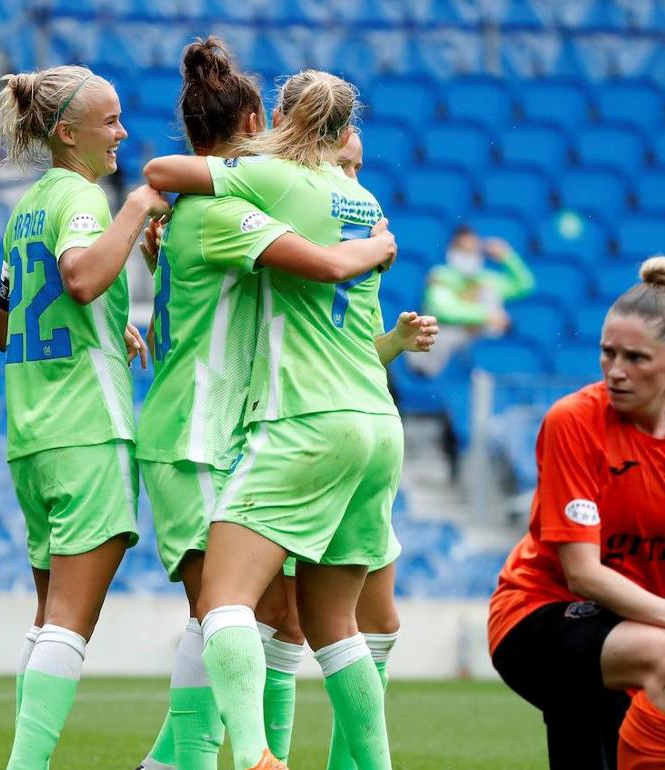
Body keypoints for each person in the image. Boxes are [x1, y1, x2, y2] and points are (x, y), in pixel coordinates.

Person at [131, 39, 402, 770]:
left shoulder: (260, 188)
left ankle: (234, 757)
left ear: (282, 116)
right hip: (235, 428)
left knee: (247, 609)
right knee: (286, 617)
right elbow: (311, 262)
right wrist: (369, 251)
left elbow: (163, 179)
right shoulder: (352, 199)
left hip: (281, 421)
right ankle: (201, 761)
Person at [487, 256, 665, 770]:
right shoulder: (572, 422)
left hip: (620, 628)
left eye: (637, 358)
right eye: (607, 354)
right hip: (535, 618)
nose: (616, 371)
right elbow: (580, 573)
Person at [0, 64, 170, 770]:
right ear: (68, 133)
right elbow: (83, 277)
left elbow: (5, 327)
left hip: (33, 436)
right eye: (111, 121)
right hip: (87, 429)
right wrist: (139, 208)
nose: (122, 132)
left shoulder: (26, 207)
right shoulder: (86, 201)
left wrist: (108, 328)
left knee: (48, 621)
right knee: (70, 624)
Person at [251, 129, 437, 770]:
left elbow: (347, 348)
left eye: (360, 166)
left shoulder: (355, 229)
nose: (355, 179)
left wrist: (394, 342)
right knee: (290, 619)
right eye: (344, 163)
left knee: (377, 622)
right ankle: (270, 754)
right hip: (304, 426)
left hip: (359, 424)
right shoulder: (294, 223)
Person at [412, 225, 534, 376]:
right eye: (463, 250)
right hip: (442, 345)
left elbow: (524, 286)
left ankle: (488, 360)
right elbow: (444, 310)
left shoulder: (484, 278)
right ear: (451, 250)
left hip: (476, 341)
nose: (469, 255)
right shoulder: (440, 275)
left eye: (473, 250)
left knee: (489, 292)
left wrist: (506, 256)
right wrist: (487, 316)